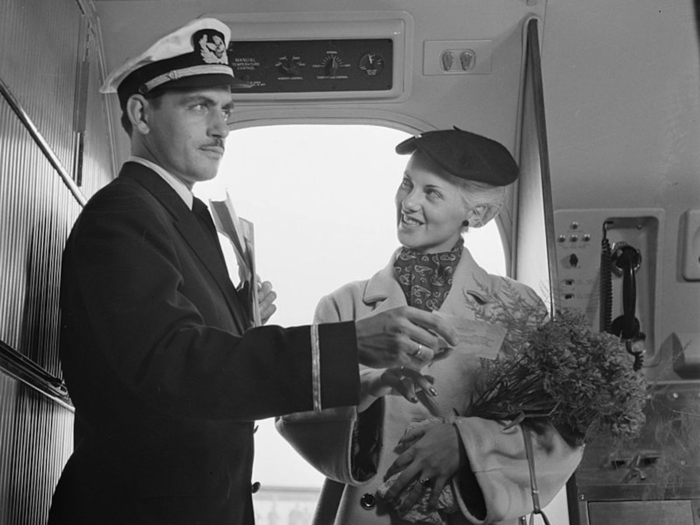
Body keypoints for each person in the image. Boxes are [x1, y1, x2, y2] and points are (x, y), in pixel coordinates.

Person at [47, 18, 458, 525]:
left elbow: (191, 356)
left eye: (226, 110)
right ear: (140, 113)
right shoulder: (124, 213)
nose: (220, 127)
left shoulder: (178, 215)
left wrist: (243, 322)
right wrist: (351, 341)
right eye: (199, 106)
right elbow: (174, 365)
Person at [277, 128, 584, 524]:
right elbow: (295, 414)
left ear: (478, 214)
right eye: (406, 184)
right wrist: (365, 390)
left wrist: (466, 442)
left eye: (431, 192)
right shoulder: (344, 305)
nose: (408, 202)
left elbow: (560, 435)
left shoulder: (518, 307)